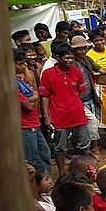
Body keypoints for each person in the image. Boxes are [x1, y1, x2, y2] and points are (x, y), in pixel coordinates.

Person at [39, 41, 91, 175]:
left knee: (84, 144)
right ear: (58, 57)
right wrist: (46, 116)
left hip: (78, 114)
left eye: (71, 58)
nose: (69, 60)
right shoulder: (48, 74)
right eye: (66, 58)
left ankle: (82, 172)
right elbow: (45, 96)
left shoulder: (76, 72)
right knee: (60, 148)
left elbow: (80, 91)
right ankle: (62, 173)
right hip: (59, 116)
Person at [16, 49, 52, 175]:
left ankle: (47, 182)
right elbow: (28, 106)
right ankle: (39, 186)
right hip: (26, 126)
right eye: (20, 64)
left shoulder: (20, 80)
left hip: (34, 123)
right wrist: (33, 97)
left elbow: (36, 92)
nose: (23, 66)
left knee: (45, 154)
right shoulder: (14, 83)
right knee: (33, 159)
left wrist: (32, 97)